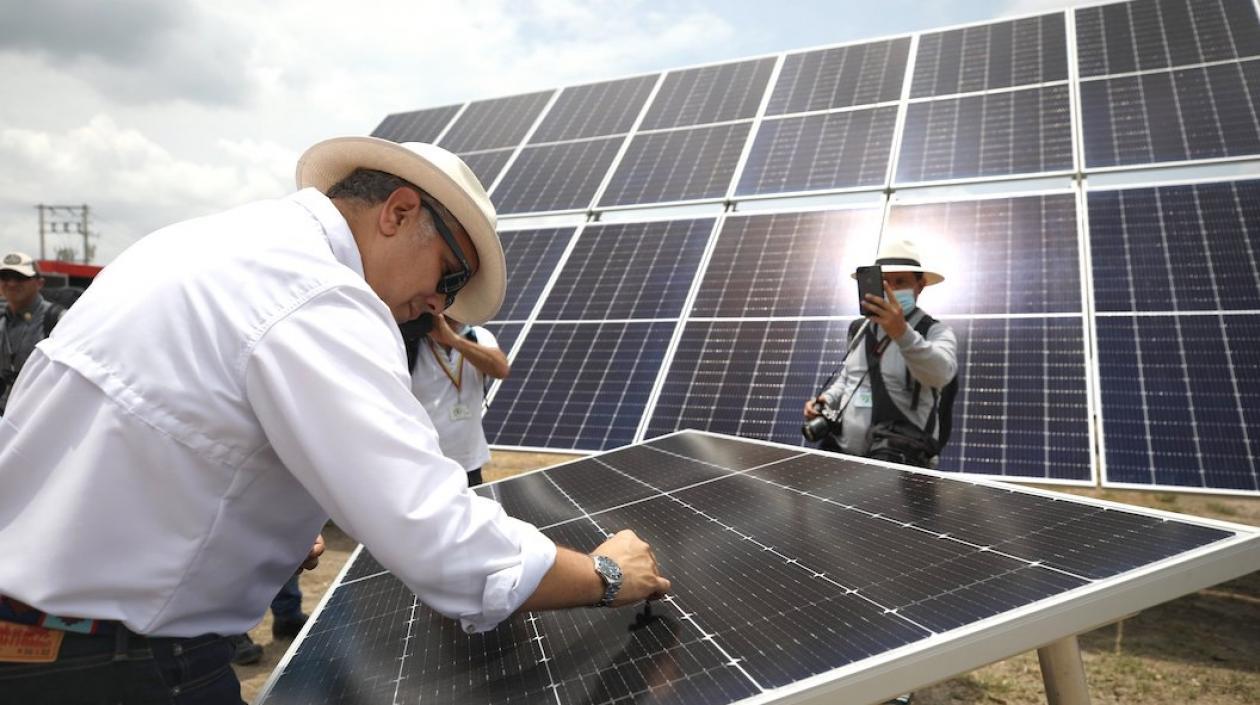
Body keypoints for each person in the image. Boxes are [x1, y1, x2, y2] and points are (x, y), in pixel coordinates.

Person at [0, 137, 669, 703]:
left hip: (41, 643)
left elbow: (143, 445)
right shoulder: (317, 292)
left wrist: (253, 528)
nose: (437, 303)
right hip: (122, 669)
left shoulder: (197, 244)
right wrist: (605, 576)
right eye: (449, 273)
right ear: (400, 212)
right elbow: (439, 538)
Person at [803, 239, 958, 470]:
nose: (891, 289)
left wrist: (902, 334)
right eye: (885, 282)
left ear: (920, 285)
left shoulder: (936, 332)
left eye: (900, 282)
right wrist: (828, 398)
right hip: (844, 456)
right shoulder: (859, 329)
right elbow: (850, 377)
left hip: (899, 464)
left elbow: (940, 375)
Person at [409, 313, 509, 487]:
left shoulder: (477, 336)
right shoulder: (410, 344)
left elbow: (500, 369)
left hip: (470, 464)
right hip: (428, 466)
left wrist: (453, 340)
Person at [0, 252, 65, 414]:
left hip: (39, 416)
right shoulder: (2, 319)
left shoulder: (58, 319)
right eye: (4, 277)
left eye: (20, 277)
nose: (11, 283)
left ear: (39, 283)